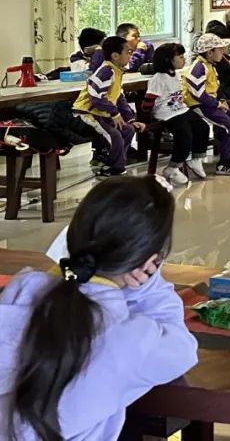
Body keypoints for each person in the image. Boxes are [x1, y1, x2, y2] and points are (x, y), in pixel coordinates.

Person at [0, 176, 198, 441]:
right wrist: (148, 285)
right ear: (148, 263)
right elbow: (182, 348)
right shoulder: (131, 339)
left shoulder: (21, 288)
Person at [183, 33, 230, 176]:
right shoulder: (199, 67)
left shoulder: (211, 65)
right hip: (201, 105)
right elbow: (198, 94)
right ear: (210, 52)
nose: (222, 51)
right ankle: (224, 162)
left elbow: (216, 87)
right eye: (219, 49)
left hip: (212, 102)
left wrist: (222, 100)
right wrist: (217, 104)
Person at [72, 36, 146, 177]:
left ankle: (114, 163)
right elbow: (95, 96)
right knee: (114, 135)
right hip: (86, 113)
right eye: (128, 52)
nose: (130, 56)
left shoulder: (117, 71)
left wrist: (130, 120)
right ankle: (114, 167)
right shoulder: (106, 71)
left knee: (128, 130)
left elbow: (119, 98)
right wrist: (114, 114)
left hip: (102, 113)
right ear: (115, 56)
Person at [142, 43, 211, 184]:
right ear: (168, 60)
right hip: (167, 114)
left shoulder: (175, 74)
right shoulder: (158, 78)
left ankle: (196, 158)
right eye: (180, 57)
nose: (183, 59)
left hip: (180, 109)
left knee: (202, 127)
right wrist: (147, 119)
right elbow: (148, 100)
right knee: (185, 134)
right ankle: (173, 167)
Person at [89, 23, 154, 72]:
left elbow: (150, 67)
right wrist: (139, 51)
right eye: (135, 36)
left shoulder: (145, 47)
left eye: (139, 36)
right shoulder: (116, 52)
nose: (139, 39)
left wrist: (141, 50)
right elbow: (130, 67)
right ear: (123, 39)